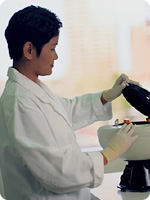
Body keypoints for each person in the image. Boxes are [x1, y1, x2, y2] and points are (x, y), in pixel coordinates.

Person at [0, 5, 139, 200]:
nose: (56, 56)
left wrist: (106, 96)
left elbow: (64, 112)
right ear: (29, 50)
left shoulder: (32, 90)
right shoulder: (19, 104)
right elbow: (56, 172)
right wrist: (110, 153)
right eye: (52, 48)